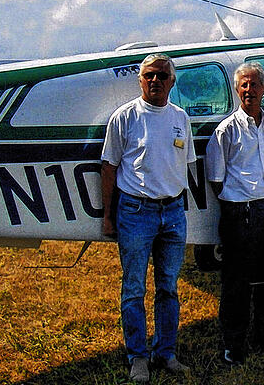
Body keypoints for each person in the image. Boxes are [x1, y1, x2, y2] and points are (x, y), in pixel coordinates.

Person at [101, 53, 195, 382]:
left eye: (161, 76)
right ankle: (137, 357)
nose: (155, 81)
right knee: (133, 289)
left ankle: (166, 352)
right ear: (140, 81)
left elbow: (184, 166)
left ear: (172, 82)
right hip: (135, 212)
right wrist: (108, 217)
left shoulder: (181, 117)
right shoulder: (124, 117)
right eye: (148, 76)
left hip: (172, 212)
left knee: (168, 287)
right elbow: (109, 167)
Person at [205, 62, 264, 366]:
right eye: (244, 85)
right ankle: (234, 343)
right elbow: (216, 177)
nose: (249, 90)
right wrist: (241, 200)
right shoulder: (226, 130)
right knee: (237, 280)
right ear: (236, 89)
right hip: (241, 210)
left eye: (255, 84)